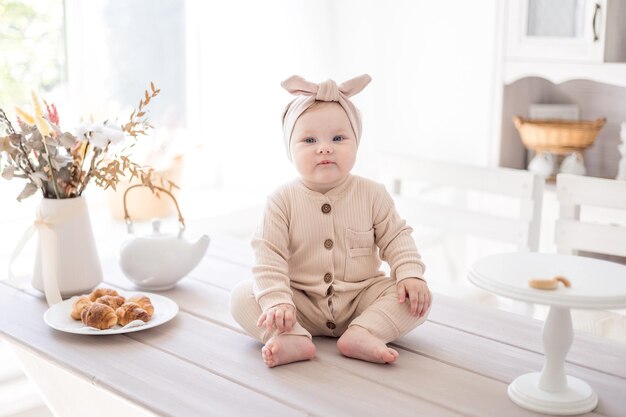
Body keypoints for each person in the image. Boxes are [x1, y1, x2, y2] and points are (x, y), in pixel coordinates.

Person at [230, 74, 431, 368]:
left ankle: (365, 331)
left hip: (361, 299)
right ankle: (290, 335)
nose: (325, 148)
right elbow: (268, 257)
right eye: (309, 140)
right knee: (242, 296)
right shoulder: (281, 201)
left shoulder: (372, 193)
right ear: (290, 148)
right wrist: (278, 302)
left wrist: (410, 273)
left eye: (338, 138)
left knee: (416, 300)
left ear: (356, 143)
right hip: (299, 302)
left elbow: (397, 237)